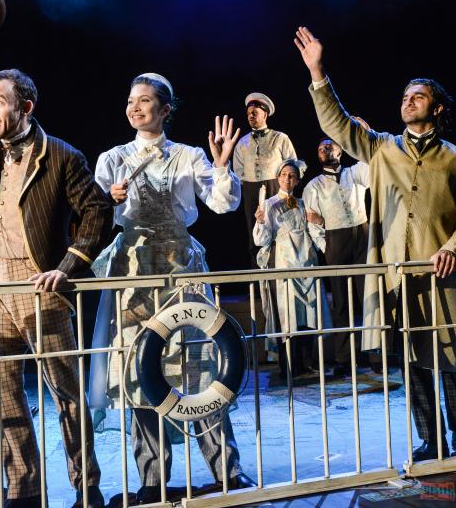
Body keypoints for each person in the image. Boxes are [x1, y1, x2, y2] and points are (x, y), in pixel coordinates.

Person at [0, 12, 113, 508]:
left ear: (25, 106)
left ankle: (86, 486)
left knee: (66, 393)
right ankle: (24, 490)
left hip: (39, 286)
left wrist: (67, 266)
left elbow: (97, 209)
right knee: (5, 393)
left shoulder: (62, 156)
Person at [294, 25, 456, 461]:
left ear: (436, 108)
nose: (408, 100)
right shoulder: (382, 148)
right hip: (395, 274)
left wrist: (453, 248)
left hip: (440, 274)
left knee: (450, 356)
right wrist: (317, 73)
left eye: (417, 96)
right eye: (405, 95)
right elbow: (338, 124)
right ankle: (431, 438)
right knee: (413, 360)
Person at [89, 73, 256, 504]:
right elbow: (92, 214)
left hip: (181, 267)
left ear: (165, 110)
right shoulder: (113, 158)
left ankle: (227, 471)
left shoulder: (188, 155)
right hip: (135, 272)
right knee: (140, 372)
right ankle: (152, 480)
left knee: (200, 368)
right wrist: (109, 198)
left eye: (146, 101)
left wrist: (221, 166)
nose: (136, 107)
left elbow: (223, 203)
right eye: (131, 100)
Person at [254, 159, 331, 378]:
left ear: (297, 180)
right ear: (278, 178)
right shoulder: (269, 204)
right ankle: (289, 365)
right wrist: (260, 222)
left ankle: (307, 363)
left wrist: (322, 234)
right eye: (284, 175)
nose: (288, 179)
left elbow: (314, 231)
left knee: (308, 313)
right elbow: (262, 240)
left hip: (306, 260)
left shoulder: (303, 203)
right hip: (284, 260)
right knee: (288, 315)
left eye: (292, 176)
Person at [303, 138, 370, 377]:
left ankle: (375, 354)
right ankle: (345, 358)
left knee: (369, 297)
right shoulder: (313, 186)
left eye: (329, 145)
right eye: (320, 148)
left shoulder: (355, 172)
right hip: (336, 240)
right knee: (341, 303)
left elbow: (372, 167)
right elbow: (312, 222)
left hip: (362, 237)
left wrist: (362, 136)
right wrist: (327, 247)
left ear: (341, 150)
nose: (325, 149)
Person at [232, 92, 297, 268]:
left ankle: (283, 274)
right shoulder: (242, 143)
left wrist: (286, 188)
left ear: (265, 114)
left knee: (280, 228)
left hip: (276, 186)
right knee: (255, 231)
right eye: (248, 114)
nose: (250, 116)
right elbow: (237, 172)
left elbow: (293, 165)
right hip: (251, 190)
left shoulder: (280, 138)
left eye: (254, 113)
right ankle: (258, 284)